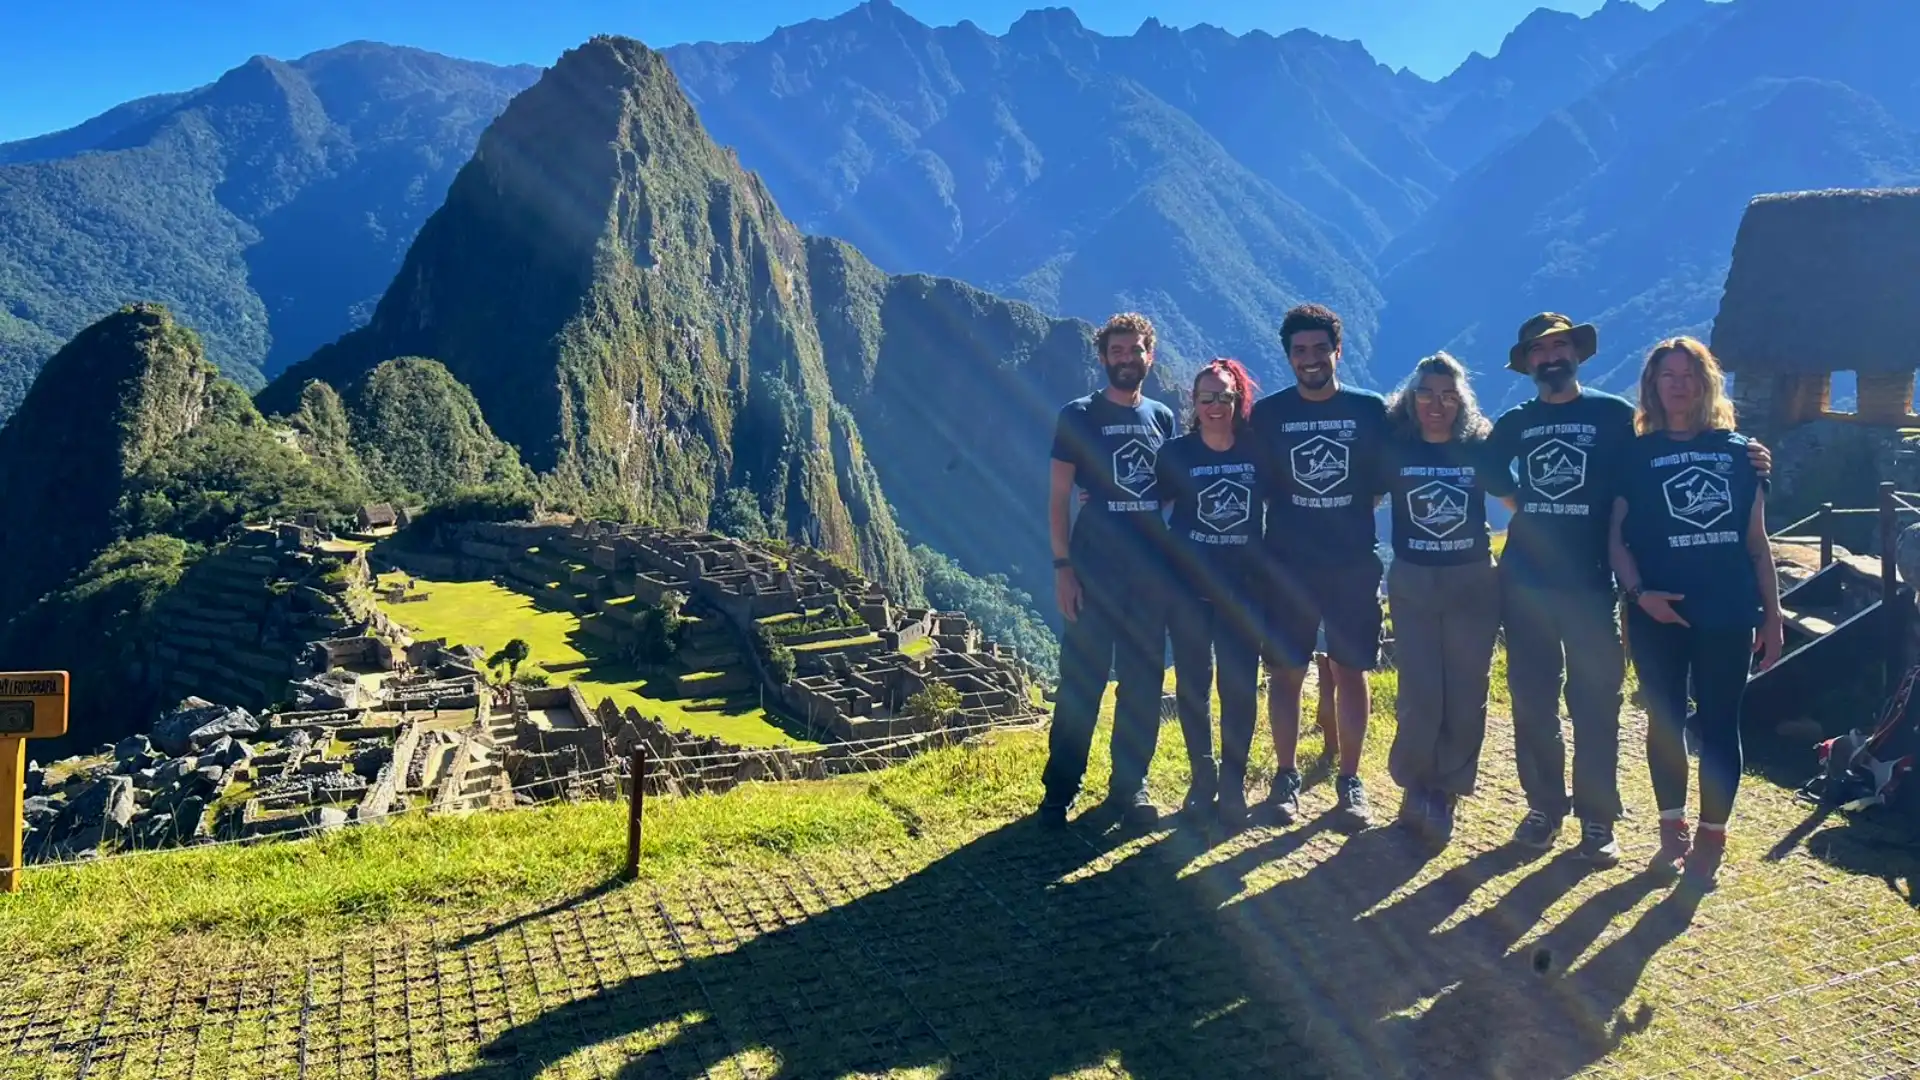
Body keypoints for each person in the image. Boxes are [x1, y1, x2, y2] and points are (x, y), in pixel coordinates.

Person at [1487, 313, 1771, 866]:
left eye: (1561, 346)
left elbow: (1663, 464)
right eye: (1540, 351)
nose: (1552, 358)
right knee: (1533, 700)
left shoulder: (1616, 418)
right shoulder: (1515, 423)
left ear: (1577, 354)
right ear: (1527, 363)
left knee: (1597, 701)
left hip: (1593, 582)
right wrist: (1535, 513)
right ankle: (1544, 806)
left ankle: (1598, 818)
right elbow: (1495, 477)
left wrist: (1753, 457)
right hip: (1526, 584)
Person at [1608, 336, 1783, 889]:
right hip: (1654, 611)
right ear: (1652, 386)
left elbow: (1757, 541)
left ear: (1707, 383)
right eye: (1668, 375)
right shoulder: (1632, 455)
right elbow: (1616, 539)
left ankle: (1712, 835)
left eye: (1689, 374)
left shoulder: (1741, 453)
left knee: (1717, 725)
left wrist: (1773, 616)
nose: (1679, 384)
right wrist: (1639, 595)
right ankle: (1671, 829)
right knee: (1663, 722)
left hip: (1727, 611)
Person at [1252, 303, 1388, 828]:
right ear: (1288, 356)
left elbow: (1381, 480)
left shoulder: (1369, 410)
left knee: (1351, 671)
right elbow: (1257, 483)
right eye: (1299, 351)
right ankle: (1286, 777)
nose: (1309, 359)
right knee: (1286, 673)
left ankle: (1350, 783)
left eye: (1318, 348)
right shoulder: (1269, 414)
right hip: (1287, 564)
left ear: (1338, 349)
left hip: (1352, 563)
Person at [1039, 312, 1176, 830]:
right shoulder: (1078, 416)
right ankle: (1060, 789)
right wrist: (1062, 567)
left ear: (1149, 355)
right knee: (1082, 682)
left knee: (1142, 681)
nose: (1125, 359)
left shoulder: (1163, 417)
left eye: (1134, 350)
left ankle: (1130, 785)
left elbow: (1169, 492)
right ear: (1103, 357)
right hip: (1092, 567)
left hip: (1149, 573)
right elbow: (1058, 497)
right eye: (1116, 351)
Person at [1378, 352, 1505, 846]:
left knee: (1467, 691)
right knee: (1420, 690)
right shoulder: (1395, 446)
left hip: (1471, 579)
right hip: (1413, 578)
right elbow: (1360, 494)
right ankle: (1416, 784)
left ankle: (1447, 792)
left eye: (1448, 395)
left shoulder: (1479, 445)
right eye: (1426, 394)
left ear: (1462, 400)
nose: (1436, 404)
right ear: (1411, 399)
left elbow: (1518, 494)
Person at [1156, 358, 1266, 828]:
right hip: (1188, 590)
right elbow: (1150, 507)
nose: (1216, 406)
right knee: (1192, 686)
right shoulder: (1176, 454)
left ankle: (1233, 782)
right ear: (1194, 403)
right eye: (1207, 398)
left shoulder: (1259, 451)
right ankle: (1203, 777)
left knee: (1239, 688)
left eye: (1225, 397)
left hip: (1245, 590)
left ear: (1239, 399)